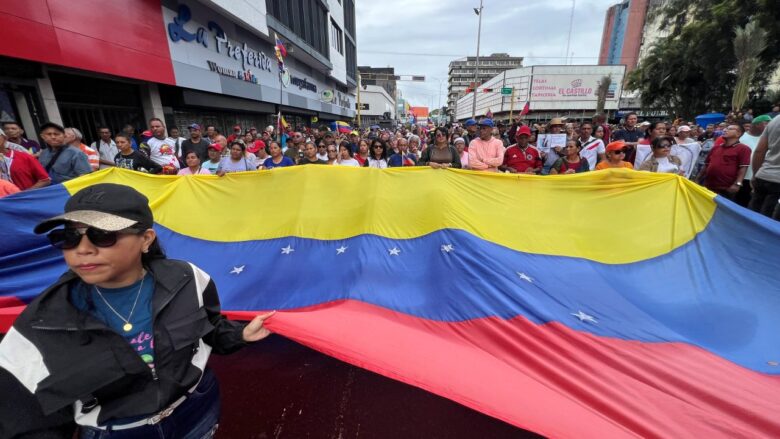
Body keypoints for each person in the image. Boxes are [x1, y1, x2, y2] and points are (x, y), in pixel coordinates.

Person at [0, 183, 274, 438]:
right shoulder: (41, 323)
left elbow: (210, 329)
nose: (83, 249)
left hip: (196, 411)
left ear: (146, 239)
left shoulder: (188, 279)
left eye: (102, 235)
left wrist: (239, 335)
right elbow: (26, 421)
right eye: (70, 237)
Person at [696, 125, 750, 200]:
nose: (725, 130)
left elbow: (743, 167)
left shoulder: (743, 149)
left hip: (726, 188)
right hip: (708, 185)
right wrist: (698, 179)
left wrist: (737, 184)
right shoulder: (716, 148)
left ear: (738, 134)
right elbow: (706, 165)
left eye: (730, 129)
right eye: (726, 128)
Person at [749, 114, 780, 219]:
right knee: (771, 223)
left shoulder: (775, 120)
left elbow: (759, 150)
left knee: (752, 217)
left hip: (763, 176)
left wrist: (755, 175)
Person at [736, 115, 771, 206]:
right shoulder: (741, 137)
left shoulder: (767, 139)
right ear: (757, 125)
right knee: (739, 203)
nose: (769, 126)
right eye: (766, 123)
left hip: (760, 178)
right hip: (742, 178)